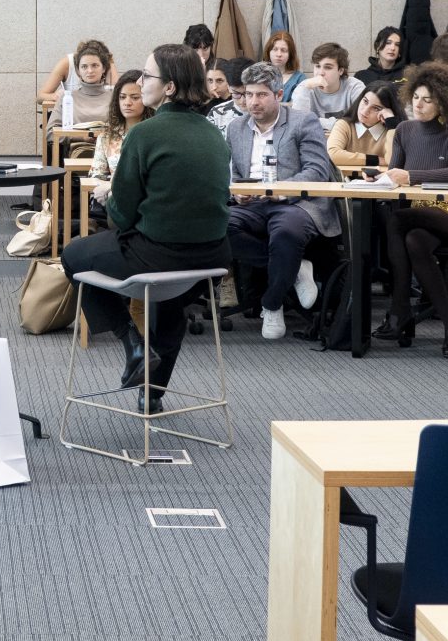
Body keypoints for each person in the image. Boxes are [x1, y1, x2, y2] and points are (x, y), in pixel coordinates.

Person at [59, 45, 232, 405]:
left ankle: (132, 344)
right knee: (167, 304)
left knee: (75, 254)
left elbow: (121, 216)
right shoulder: (214, 134)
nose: (140, 81)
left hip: (158, 258)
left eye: (147, 76)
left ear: (169, 87)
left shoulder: (144, 134)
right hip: (210, 261)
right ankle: (151, 395)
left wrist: (111, 196)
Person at [373, 65, 448, 357]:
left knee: (398, 220)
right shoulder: (403, 131)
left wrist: (413, 177)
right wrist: (382, 179)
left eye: (427, 99)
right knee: (413, 241)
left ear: (443, 103)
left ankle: (398, 310)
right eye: (416, 97)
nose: (418, 104)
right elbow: (394, 173)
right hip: (420, 214)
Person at [225, 64, 339, 340]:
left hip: (296, 203)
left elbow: (317, 171)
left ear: (278, 94)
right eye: (248, 95)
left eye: (261, 95)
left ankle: (272, 304)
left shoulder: (303, 121)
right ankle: (297, 267)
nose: (253, 102)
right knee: (216, 226)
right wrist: (236, 192)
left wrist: (283, 191)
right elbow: (233, 174)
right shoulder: (236, 127)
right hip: (252, 205)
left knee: (286, 231)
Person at [88, 71, 152, 181]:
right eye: (122, 97)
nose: (127, 103)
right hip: (111, 194)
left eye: (135, 97)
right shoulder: (106, 136)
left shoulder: (154, 134)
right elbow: (95, 175)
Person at [41, 38, 117, 127]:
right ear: (78, 70)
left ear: (104, 67)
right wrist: (56, 96)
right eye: (84, 66)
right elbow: (52, 131)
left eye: (95, 65)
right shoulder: (66, 64)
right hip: (75, 138)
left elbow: (116, 88)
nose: (90, 71)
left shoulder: (113, 96)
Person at [328, 80, 402, 170]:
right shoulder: (344, 125)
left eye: (376, 108)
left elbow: (393, 162)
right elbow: (332, 154)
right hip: (348, 181)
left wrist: (392, 124)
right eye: (365, 101)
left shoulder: (392, 131)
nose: (365, 111)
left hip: (383, 182)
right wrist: (376, 160)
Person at [291, 42, 363, 122]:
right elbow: (298, 122)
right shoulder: (306, 86)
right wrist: (305, 87)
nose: (321, 72)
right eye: (317, 66)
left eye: (328, 67)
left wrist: (313, 122)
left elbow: (361, 120)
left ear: (341, 71)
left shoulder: (354, 86)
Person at [253, 30, 302, 96]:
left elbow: (301, 104)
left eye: (283, 50)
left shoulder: (299, 78)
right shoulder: (258, 75)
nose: (279, 54)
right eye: (275, 49)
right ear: (268, 52)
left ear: (290, 54)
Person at [204, 64, 242, 133]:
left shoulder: (237, 100)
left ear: (228, 80)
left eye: (219, 81)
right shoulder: (206, 101)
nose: (214, 87)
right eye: (210, 81)